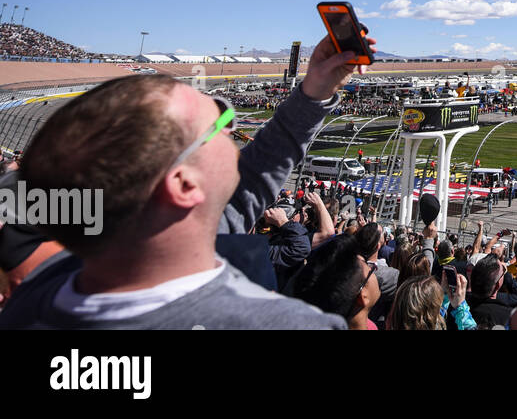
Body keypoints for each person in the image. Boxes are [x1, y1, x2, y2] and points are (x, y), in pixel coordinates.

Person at [0, 34, 369, 329]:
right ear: (184, 186)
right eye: (221, 123)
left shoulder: (41, 293)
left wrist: (315, 91)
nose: (235, 127)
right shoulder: (289, 325)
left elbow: (253, 180)